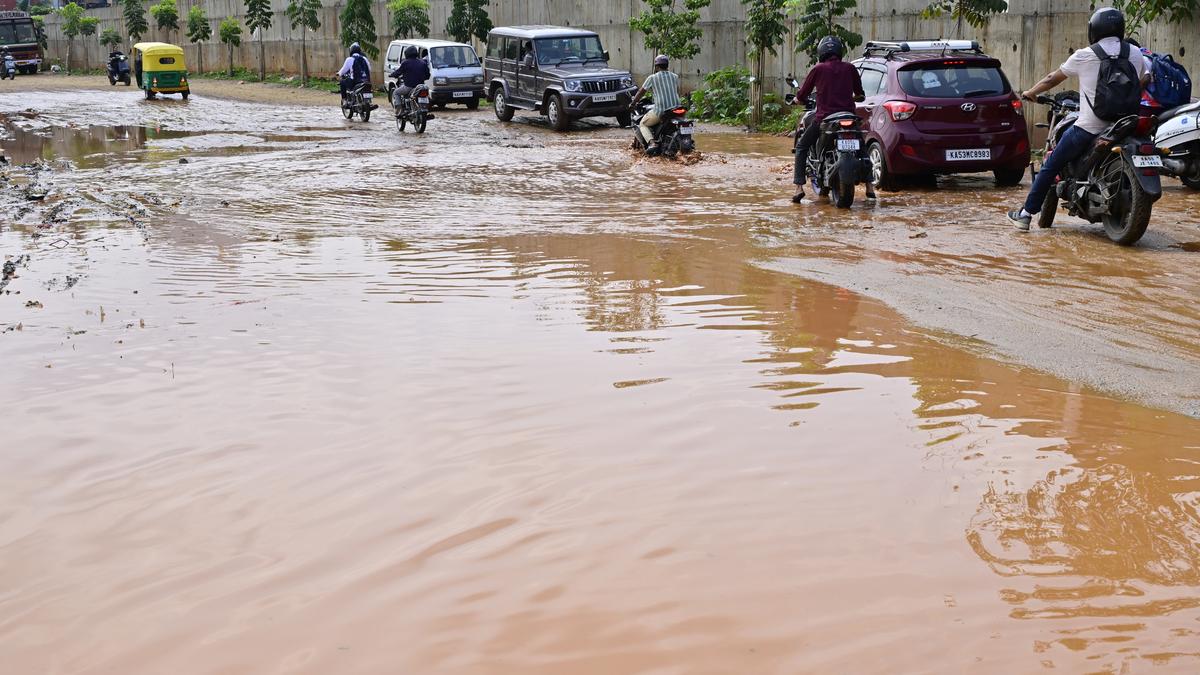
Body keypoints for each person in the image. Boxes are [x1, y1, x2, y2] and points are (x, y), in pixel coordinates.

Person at [1007, 7, 1150, 230]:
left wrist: (1031, 93)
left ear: (1093, 29)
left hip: (1090, 128)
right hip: (1125, 126)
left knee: (1050, 165)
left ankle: (1025, 215)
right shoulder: (1135, 53)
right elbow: (1145, 78)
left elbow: (1052, 78)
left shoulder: (1085, 55)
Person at [789, 35, 867, 203]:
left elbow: (802, 94)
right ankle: (870, 186)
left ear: (821, 52)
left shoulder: (818, 69)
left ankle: (798, 187)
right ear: (840, 51)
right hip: (849, 118)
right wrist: (854, 97)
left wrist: (797, 100)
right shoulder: (850, 68)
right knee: (862, 146)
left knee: (802, 147)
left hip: (825, 119)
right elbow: (860, 94)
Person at [629, 54, 683, 153]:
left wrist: (633, 103)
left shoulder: (652, 78)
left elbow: (641, 92)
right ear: (667, 65)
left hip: (662, 110)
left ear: (657, 67)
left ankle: (652, 143)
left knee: (643, 124)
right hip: (677, 108)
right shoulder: (675, 76)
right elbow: (677, 91)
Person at [390, 45, 431, 110]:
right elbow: (427, 75)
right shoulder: (423, 63)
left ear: (407, 54)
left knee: (396, 92)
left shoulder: (405, 63)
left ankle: (399, 110)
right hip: (420, 86)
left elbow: (398, 72)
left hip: (409, 87)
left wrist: (392, 74)